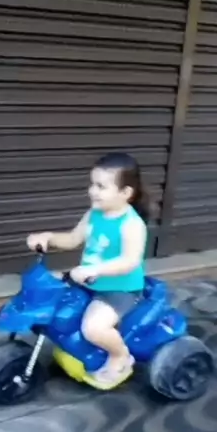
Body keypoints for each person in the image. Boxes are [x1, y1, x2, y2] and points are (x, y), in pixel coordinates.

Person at [27, 152, 151, 387]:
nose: (93, 191)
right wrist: (48, 237)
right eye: (92, 184)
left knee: (93, 328)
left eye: (101, 186)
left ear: (125, 193)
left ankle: (120, 356)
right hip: (89, 280)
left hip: (119, 289)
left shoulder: (131, 225)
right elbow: (73, 239)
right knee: (47, 290)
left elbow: (129, 262)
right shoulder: (94, 215)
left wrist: (96, 269)